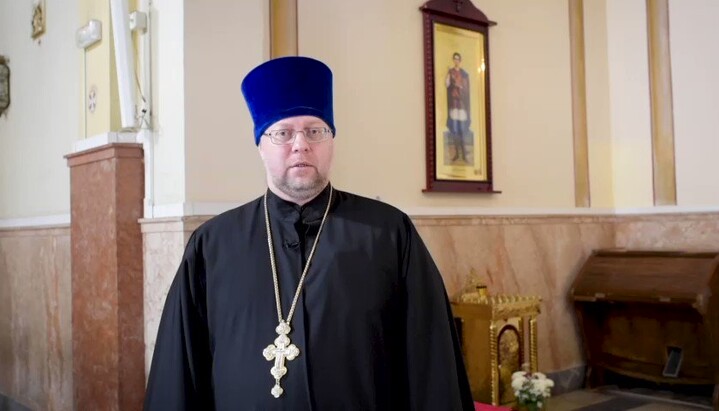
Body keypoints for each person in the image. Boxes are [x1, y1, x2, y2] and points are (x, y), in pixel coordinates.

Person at [144, 56, 474, 410]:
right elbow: (179, 375)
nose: (300, 144)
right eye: (283, 133)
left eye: (315, 131)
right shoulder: (212, 246)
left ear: (331, 141)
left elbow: (431, 363)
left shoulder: (389, 234)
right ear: (260, 145)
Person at [445, 52, 471, 163]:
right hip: (454, 105)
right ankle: (456, 154)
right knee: (454, 130)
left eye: (458, 59)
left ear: (460, 60)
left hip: (461, 105)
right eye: (454, 59)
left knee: (462, 129)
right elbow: (447, 85)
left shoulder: (464, 74)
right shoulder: (450, 72)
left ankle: (464, 154)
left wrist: (460, 86)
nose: (456, 61)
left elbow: (465, 88)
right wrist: (449, 78)